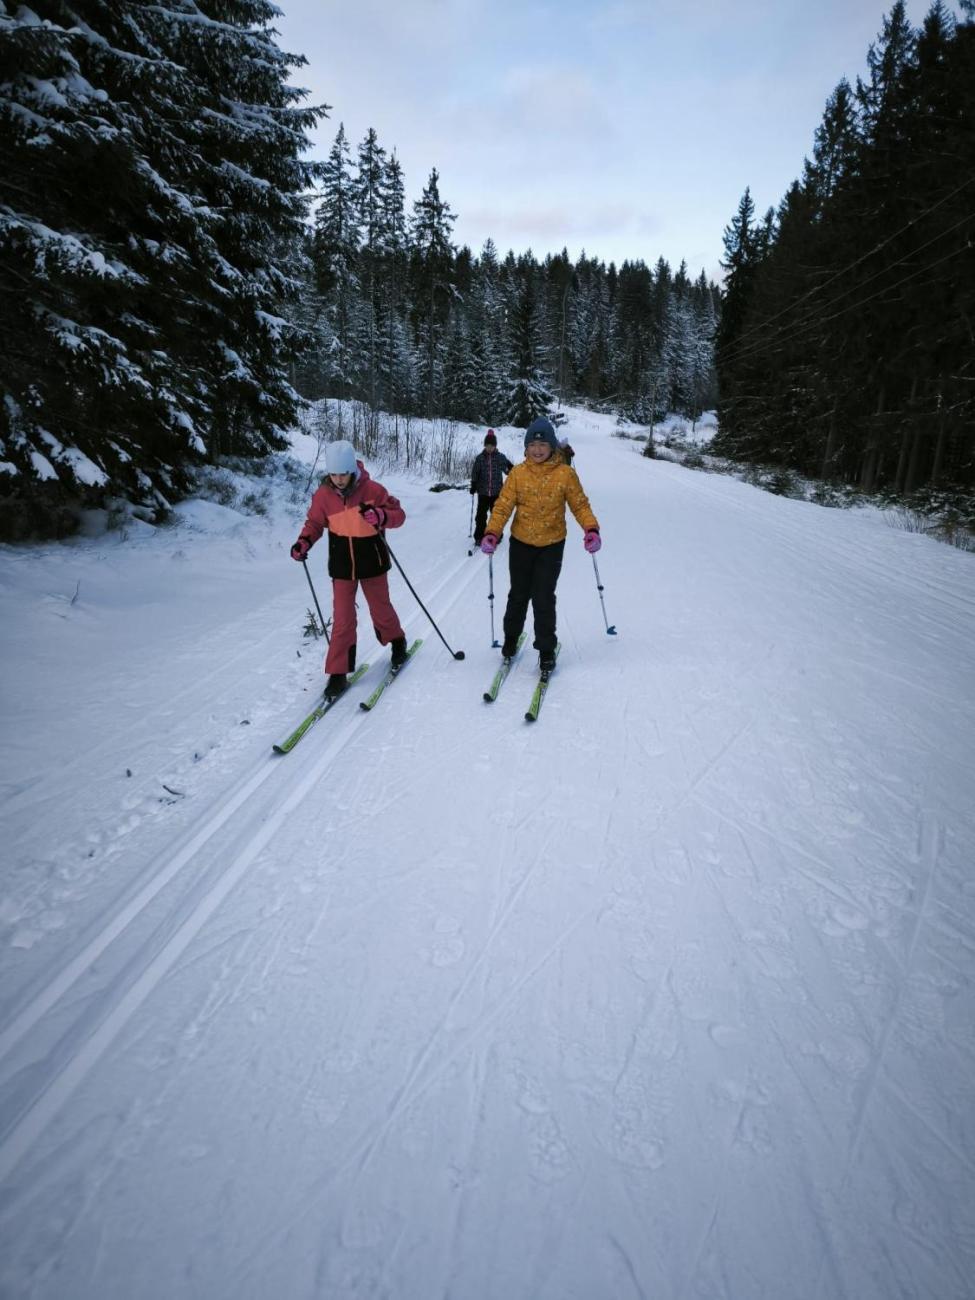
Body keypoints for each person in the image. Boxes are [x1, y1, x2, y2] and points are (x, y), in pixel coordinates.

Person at [480, 416, 601, 673]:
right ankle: (511, 639)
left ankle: (546, 649)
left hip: (551, 544)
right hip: (521, 543)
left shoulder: (565, 474)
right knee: (518, 594)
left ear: (552, 446)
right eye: (532, 445)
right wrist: (492, 532)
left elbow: (579, 505)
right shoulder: (517, 473)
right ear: (526, 448)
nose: (537, 450)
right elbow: (503, 506)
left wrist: (591, 529)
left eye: (543, 444)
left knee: (543, 597)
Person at [291, 439, 408, 700]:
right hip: (342, 564)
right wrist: (304, 541)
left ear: (352, 470)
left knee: (381, 608)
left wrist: (381, 516)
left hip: (372, 560)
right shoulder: (323, 495)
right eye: (333, 474)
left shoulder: (372, 490)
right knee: (343, 618)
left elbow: (398, 514)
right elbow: (314, 523)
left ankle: (397, 641)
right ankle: (337, 672)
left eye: (343, 474)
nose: (339, 479)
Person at [469, 430, 513, 547]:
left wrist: (512, 470)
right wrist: (473, 485)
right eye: (487, 446)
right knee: (481, 516)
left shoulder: (500, 458)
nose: (489, 448)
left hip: (496, 492)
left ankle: (496, 535)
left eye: (491, 446)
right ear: (485, 445)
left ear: (495, 446)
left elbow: (508, 469)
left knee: (496, 516)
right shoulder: (480, 458)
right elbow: (475, 473)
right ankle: (479, 536)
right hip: (483, 492)